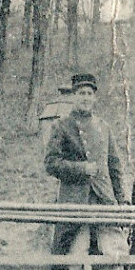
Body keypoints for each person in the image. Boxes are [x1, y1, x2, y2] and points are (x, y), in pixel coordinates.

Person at [44, 73, 129, 255]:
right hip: (75, 201)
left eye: (90, 94)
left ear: (95, 97)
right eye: (81, 93)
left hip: (104, 200)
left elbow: (115, 167)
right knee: (76, 253)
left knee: (116, 252)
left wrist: (122, 200)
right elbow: (51, 163)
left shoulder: (104, 127)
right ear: (73, 96)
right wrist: (82, 169)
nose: (86, 98)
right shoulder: (62, 126)